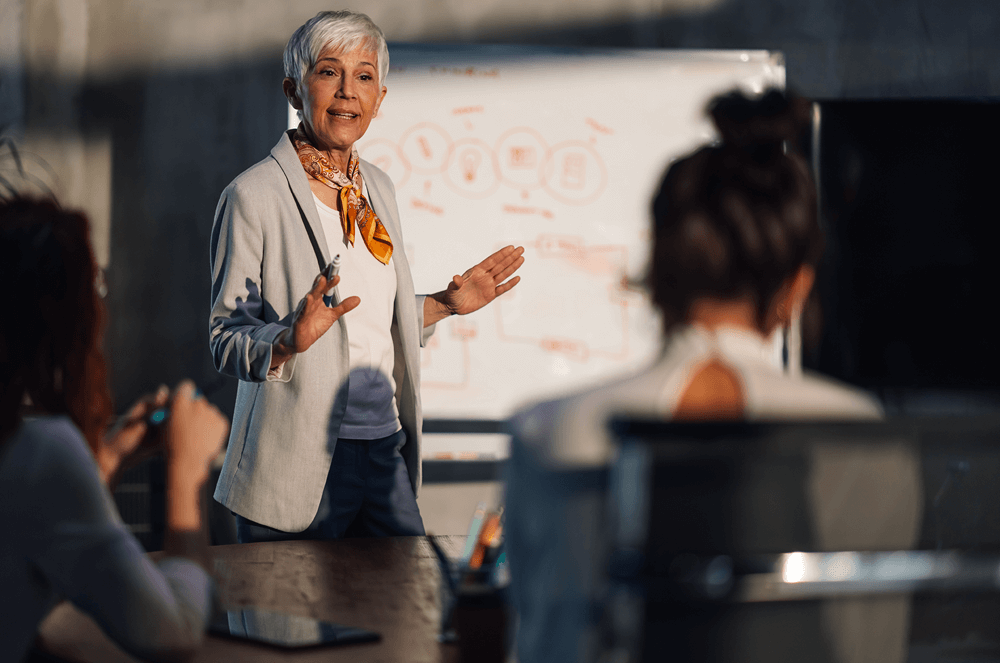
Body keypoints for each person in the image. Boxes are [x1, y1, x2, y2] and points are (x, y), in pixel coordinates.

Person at [505, 90, 921, 663]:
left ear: (658, 271)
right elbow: (867, 648)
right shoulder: (861, 434)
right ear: (797, 288)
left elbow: (545, 644)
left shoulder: (549, 430)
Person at [209, 10, 524, 543]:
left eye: (364, 76)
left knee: (407, 621)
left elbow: (372, 320)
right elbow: (224, 340)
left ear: (380, 98)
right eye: (328, 72)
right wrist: (286, 339)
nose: (347, 92)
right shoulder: (252, 195)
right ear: (294, 90)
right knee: (287, 624)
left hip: (384, 452)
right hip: (294, 465)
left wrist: (445, 304)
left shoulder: (376, 189)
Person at [0, 196, 230, 663]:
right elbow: (172, 633)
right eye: (94, 287)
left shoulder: (25, 445)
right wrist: (187, 474)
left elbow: (29, 525)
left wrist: (105, 460)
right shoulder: (44, 451)